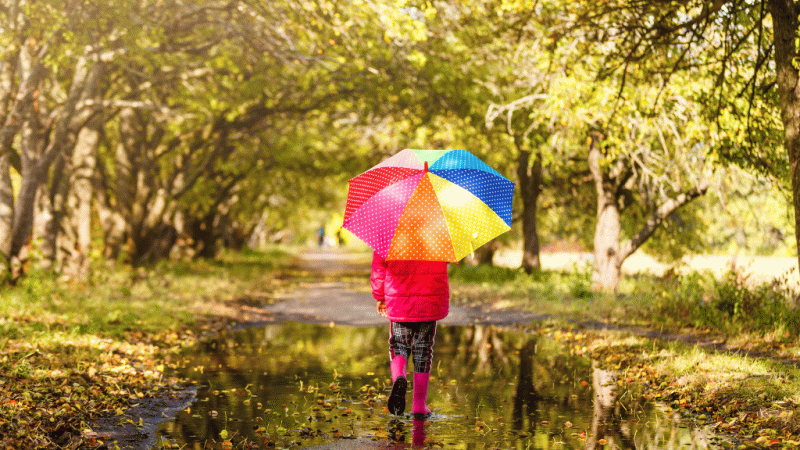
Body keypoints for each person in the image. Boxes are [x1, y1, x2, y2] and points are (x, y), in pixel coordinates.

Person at [371, 251, 449, 417]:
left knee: (399, 345)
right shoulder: (439, 230)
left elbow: (379, 266)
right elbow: (445, 262)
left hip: (400, 300)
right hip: (429, 299)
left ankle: (400, 376)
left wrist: (379, 295)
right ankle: (419, 406)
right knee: (423, 350)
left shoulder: (389, 230)